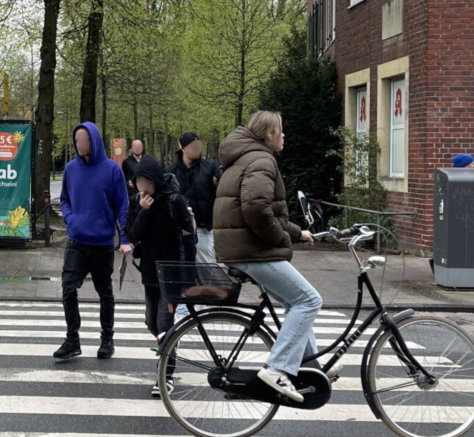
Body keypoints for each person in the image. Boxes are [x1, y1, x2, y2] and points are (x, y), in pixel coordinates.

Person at [214, 111, 340, 403]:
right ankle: (279, 368)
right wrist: (282, 239)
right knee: (309, 300)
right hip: (251, 250)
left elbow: (262, 209)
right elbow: (257, 210)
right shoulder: (262, 159)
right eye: (280, 131)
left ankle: (310, 367)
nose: (284, 136)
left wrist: (297, 232)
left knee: (295, 301)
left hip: (240, 248)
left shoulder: (244, 157)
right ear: (269, 134)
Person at [55, 121, 130, 362]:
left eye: (84, 140)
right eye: (77, 141)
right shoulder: (70, 168)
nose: (80, 144)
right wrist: (69, 217)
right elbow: (64, 198)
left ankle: (107, 338)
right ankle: (72, 339)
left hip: (101, 243)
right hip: (76, 240)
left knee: (104, 292)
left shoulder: (111, 170)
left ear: (94, 141)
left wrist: (125, 239)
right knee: (68, 288)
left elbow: (123, 206)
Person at [125, 156, 196, 397]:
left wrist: (188, 274)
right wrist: (143, 211)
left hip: (172, 274)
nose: (142, 186)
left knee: (164, 326)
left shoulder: (174, 201)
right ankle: (170, 348)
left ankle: (164, 375)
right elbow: (131, 235)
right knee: (152, 323)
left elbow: (189, 237)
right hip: (149, 272)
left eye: (145, 180)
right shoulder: (137, 201)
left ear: (155, 179)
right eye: (138, 181)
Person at [168, 132, 223, 268]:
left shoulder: (210, 167)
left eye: (199, 146)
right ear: (184, 148)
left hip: (204, 227)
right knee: (183, 267)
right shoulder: (171, 171)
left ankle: (204, 289)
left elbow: (222, 190)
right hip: (180, 228)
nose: (197, 149)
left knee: (204, 267)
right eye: (193, 146)